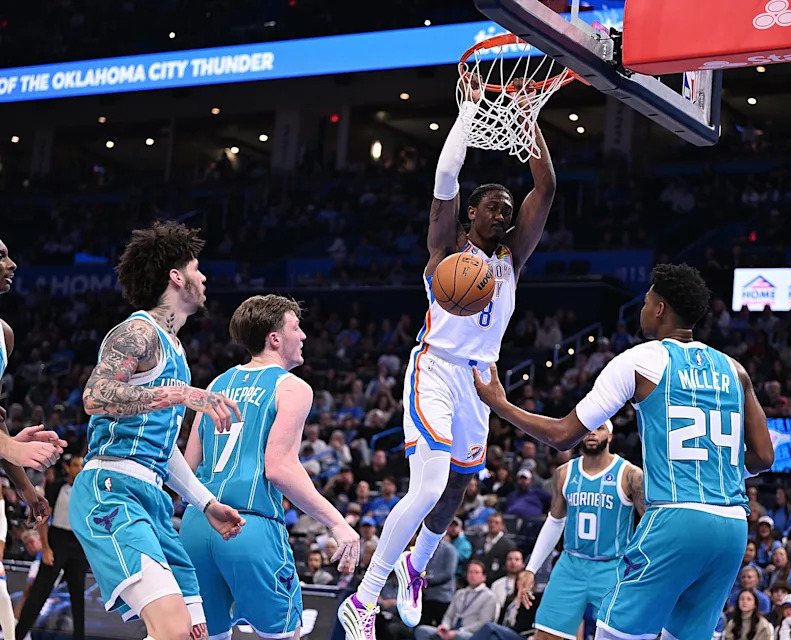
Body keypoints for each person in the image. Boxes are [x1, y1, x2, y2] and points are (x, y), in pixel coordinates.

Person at [339, 76, 557, 640]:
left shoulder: (513, 257)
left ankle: (416, 563)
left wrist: (526, 116)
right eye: (492, 205)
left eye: (508, 208)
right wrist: (468, 117)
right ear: (471, 215)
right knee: (430, 486)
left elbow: (548, 186)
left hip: (482, 382)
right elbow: (444, 178)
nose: (503, 213)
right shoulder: (445, 246)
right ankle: (364, 598)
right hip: (434, 369)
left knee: (460, 486)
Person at [473, 263, 776, 640]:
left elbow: (564, 435)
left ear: (661, 309)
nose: (643, 309)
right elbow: (764, 457)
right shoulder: (736, 370)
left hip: (676, 519)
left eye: (647, 302)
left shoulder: (640, 360)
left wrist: (501, 405)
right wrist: (717, 469)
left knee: (614, 633)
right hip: (732, 526)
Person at [68, 222, 247, 639]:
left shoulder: (176, 350)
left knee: (192, 633)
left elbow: (163, 449)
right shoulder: (138, 331)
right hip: (111, 488)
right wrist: (177, 394)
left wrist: (205, 503)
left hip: (154, 502)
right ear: (176, 276)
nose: (203, 278)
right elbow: (95, 395)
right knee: (170, 628)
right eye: (196, 268)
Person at [179, 295, 360, 639]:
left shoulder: (216, 384)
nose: (303, 335)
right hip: (249, 526)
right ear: (274, 338)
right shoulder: (292, 387)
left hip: (196, 527)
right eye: (296, 327)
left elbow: (186, 469)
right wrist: (337, 522)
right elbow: (278, 468)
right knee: (284, 635)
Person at [513, 422, 643, 640]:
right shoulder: (564, 473)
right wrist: (531, 569)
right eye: (588, 427)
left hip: (613, 567)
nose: (592, 432)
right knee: (545, 636)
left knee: (621, 636)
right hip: (571, 565)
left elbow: (648, 524)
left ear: (610, 436)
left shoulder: (629, 475)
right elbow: (555, 521)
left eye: (600, 428)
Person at [0, 239, 63, 640]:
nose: (12, 262)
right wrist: (12, 448)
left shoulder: (3, 335)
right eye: (0, 256)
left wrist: (24, 485)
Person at [15, 455, 88, 640]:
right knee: (39, 592)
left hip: (79, 543)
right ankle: (18, 635)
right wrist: (46, 548)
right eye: (76, 465)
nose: (79, 468)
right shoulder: (57, 487)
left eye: (82, 465)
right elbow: (44, 518)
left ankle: (79, 637)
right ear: (68, 467)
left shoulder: (89, 490)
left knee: (78, 595)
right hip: (57, 541)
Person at [413, 561, 499, 640]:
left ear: (483, 577)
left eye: (476, 572)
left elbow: (482, 623)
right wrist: (444, 627)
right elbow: (449, 615)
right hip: (451, 630)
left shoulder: (489, 596)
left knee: (459, 636)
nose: (472, 575)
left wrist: (459, 631)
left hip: (470, 634)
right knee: (422, 630)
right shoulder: (460, 593)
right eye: (470, 572)